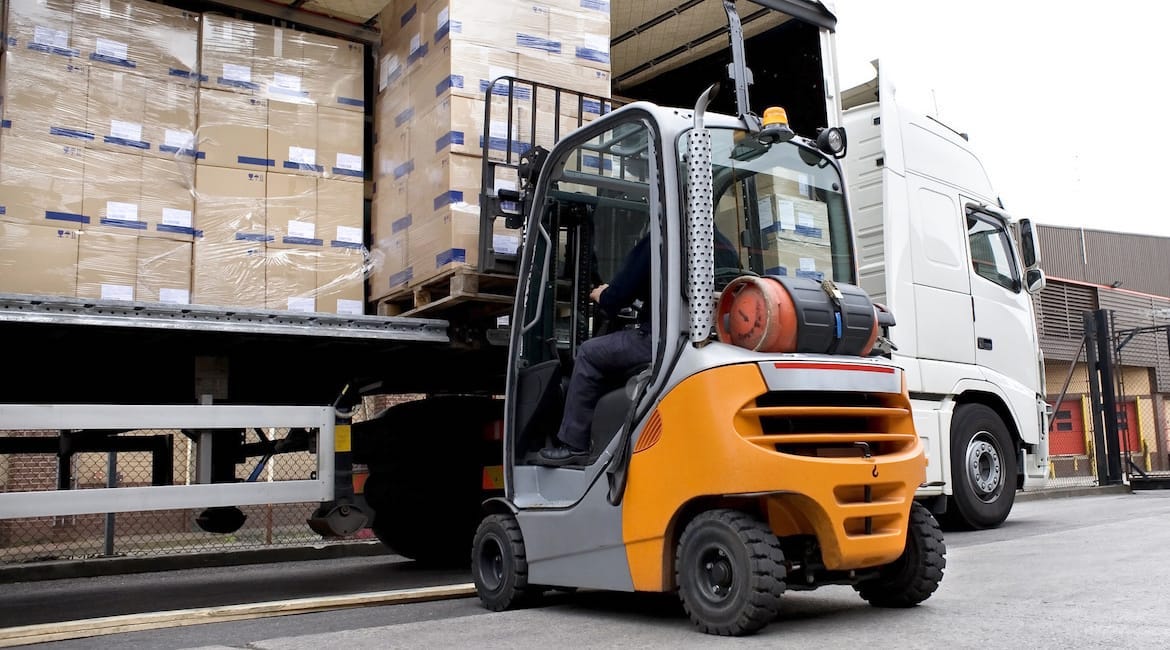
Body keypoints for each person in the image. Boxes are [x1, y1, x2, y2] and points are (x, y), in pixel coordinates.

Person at [537, 232, 654, 466]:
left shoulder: (659, 238)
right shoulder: (717, 245)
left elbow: (621, 292)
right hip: (688, 338)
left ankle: (575, 444)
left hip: (655, 340)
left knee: (589, 352)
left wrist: (605, 295)